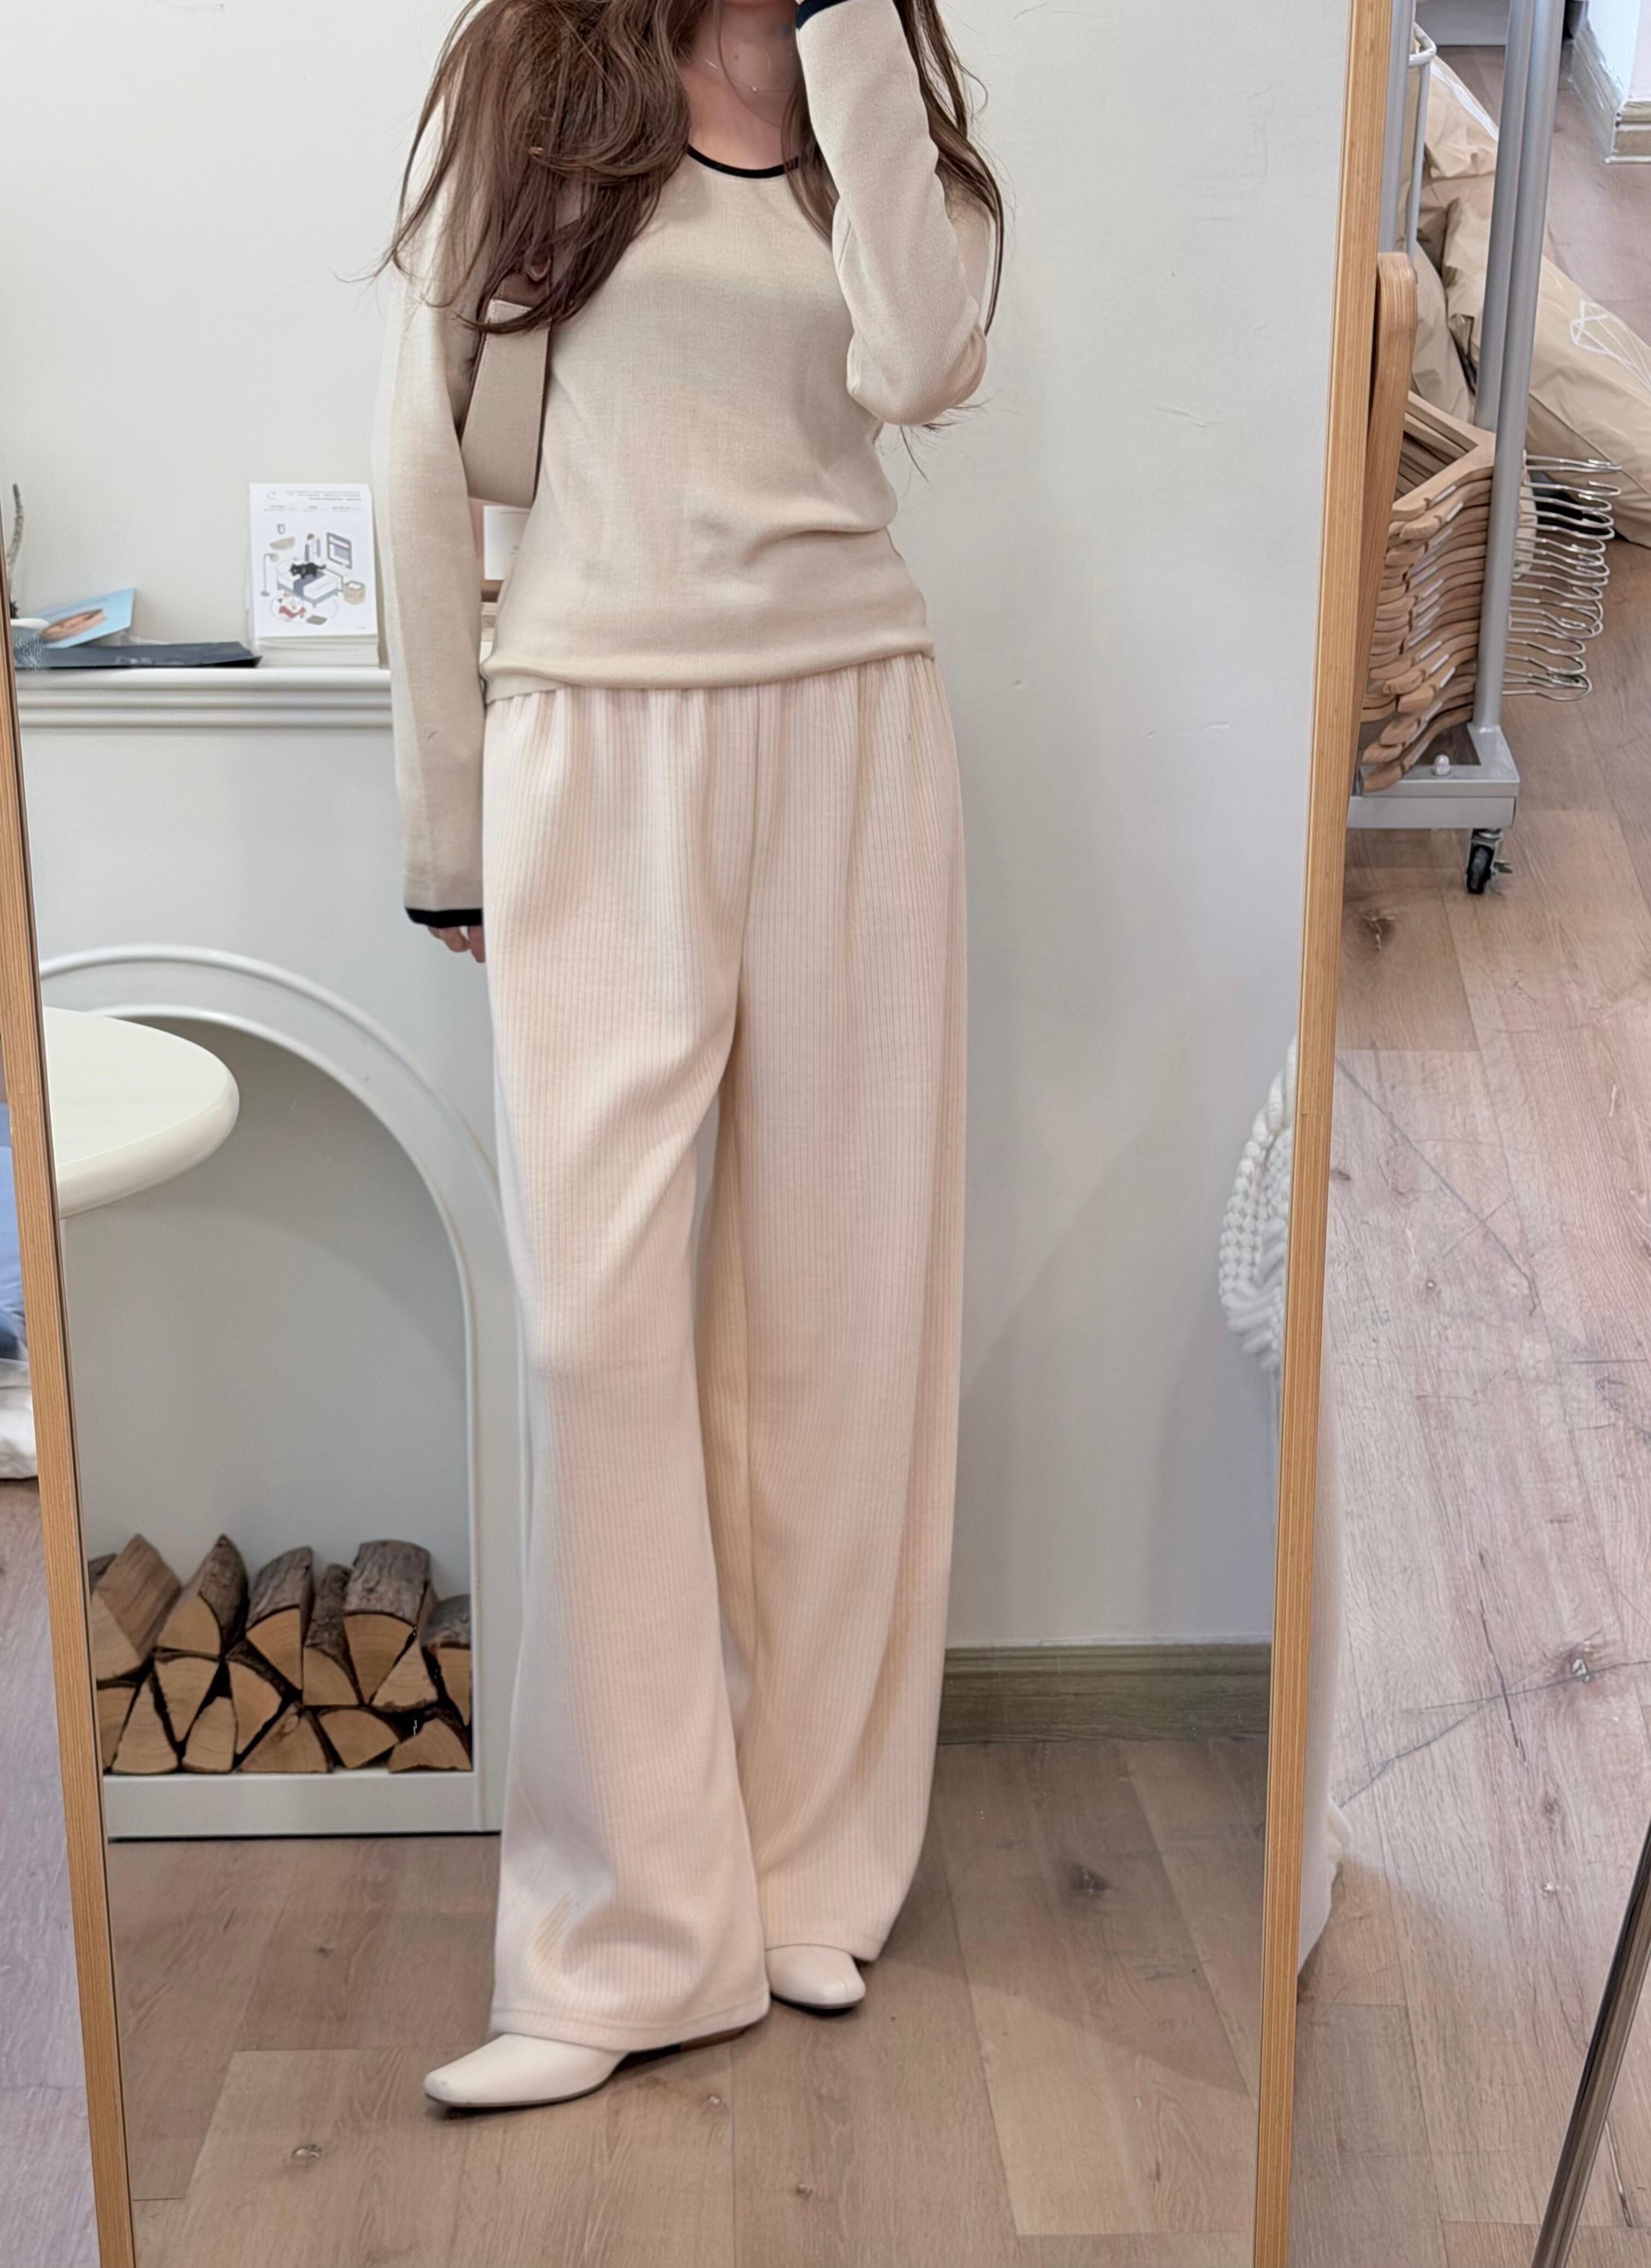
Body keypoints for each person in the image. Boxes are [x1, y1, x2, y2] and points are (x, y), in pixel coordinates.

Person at [373, 0, 1001, 2110]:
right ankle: (625, 1938)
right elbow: (420, 441)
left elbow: (923, 362)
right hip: (594, 731)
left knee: (839, 1325)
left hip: (856, 725)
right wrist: (447, 824)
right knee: (601, 1337)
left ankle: (809, 1865)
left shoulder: (873, 101)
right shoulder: (536, 71)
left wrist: (851, 49)